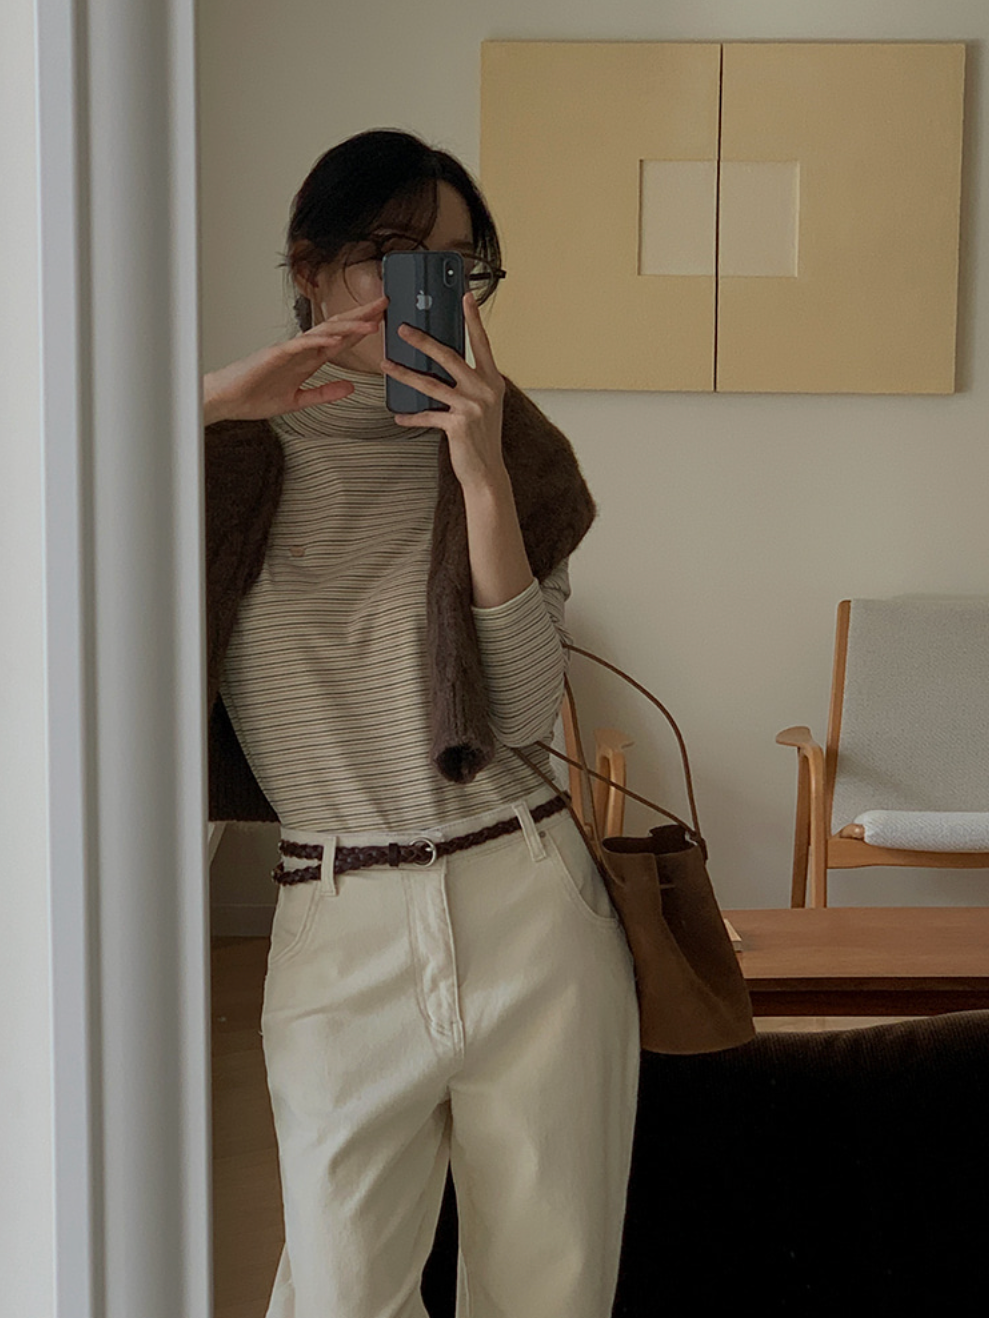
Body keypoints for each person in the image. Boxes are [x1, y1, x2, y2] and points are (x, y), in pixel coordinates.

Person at [203, 128, 640, 1318]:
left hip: (528, 901)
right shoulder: (216, 460)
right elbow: (27, 503)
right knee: (338, 1295)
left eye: (452, 263)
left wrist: (481, 474)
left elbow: (520, 715)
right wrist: (211, 402)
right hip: (338, 921)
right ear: (310, 269)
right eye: (392, 255)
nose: (424, 290)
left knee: (547, 1294)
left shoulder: (517, 451)